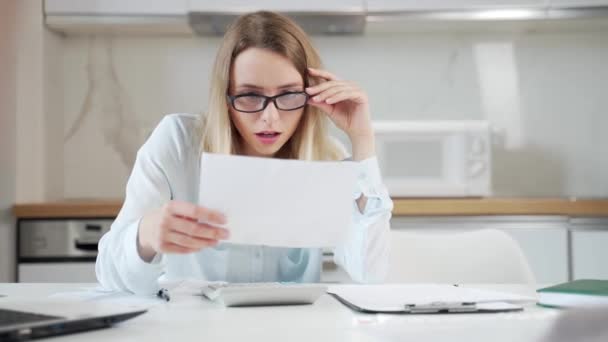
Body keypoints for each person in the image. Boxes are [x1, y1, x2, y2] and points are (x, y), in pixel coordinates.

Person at [96, 11, 393, 295]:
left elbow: (370, 271)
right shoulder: (177, 143)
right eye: (251, 96)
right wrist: (145, 236)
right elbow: (108, 274)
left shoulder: (327, 157)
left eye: (288, 95)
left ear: (310, 95)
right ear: (226, 98)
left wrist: (362, 140)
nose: (270, 118)